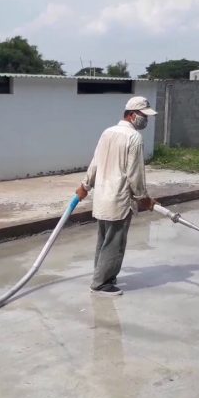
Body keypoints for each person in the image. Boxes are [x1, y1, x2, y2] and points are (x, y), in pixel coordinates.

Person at [75, 96, 157, 296]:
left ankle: (102, 276)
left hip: (102, 196)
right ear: (132, 115)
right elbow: (135, 173)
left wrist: (85, 185)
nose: (146, 120)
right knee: (115, 243)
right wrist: (143, 198)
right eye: (144, 116)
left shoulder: (108, 132)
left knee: (104, 240)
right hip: (119, 199)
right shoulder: (134, 137)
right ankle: (101, 284)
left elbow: (95, 162)